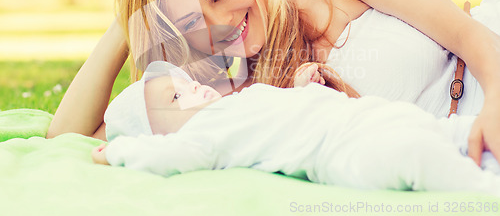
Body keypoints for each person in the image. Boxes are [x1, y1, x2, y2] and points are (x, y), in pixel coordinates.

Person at [47, 0, 500, 168]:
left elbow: (471, 36)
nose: (220, 25)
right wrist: (126, 25)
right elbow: (67, 137)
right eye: (190, 22)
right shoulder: (219, 90)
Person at [92, 61, 500, 195]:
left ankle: (477, 152)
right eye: (175, 98)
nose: (191, 87)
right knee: (415, 154)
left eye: (184, 82)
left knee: (443, 131)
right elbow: (171, 158)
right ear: (159, 134)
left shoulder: (239, 102)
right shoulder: (202, 137)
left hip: (364, 116)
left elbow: (282, 109)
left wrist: (302, 87)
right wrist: (117, 152)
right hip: (339, 150)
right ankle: (484, 191)